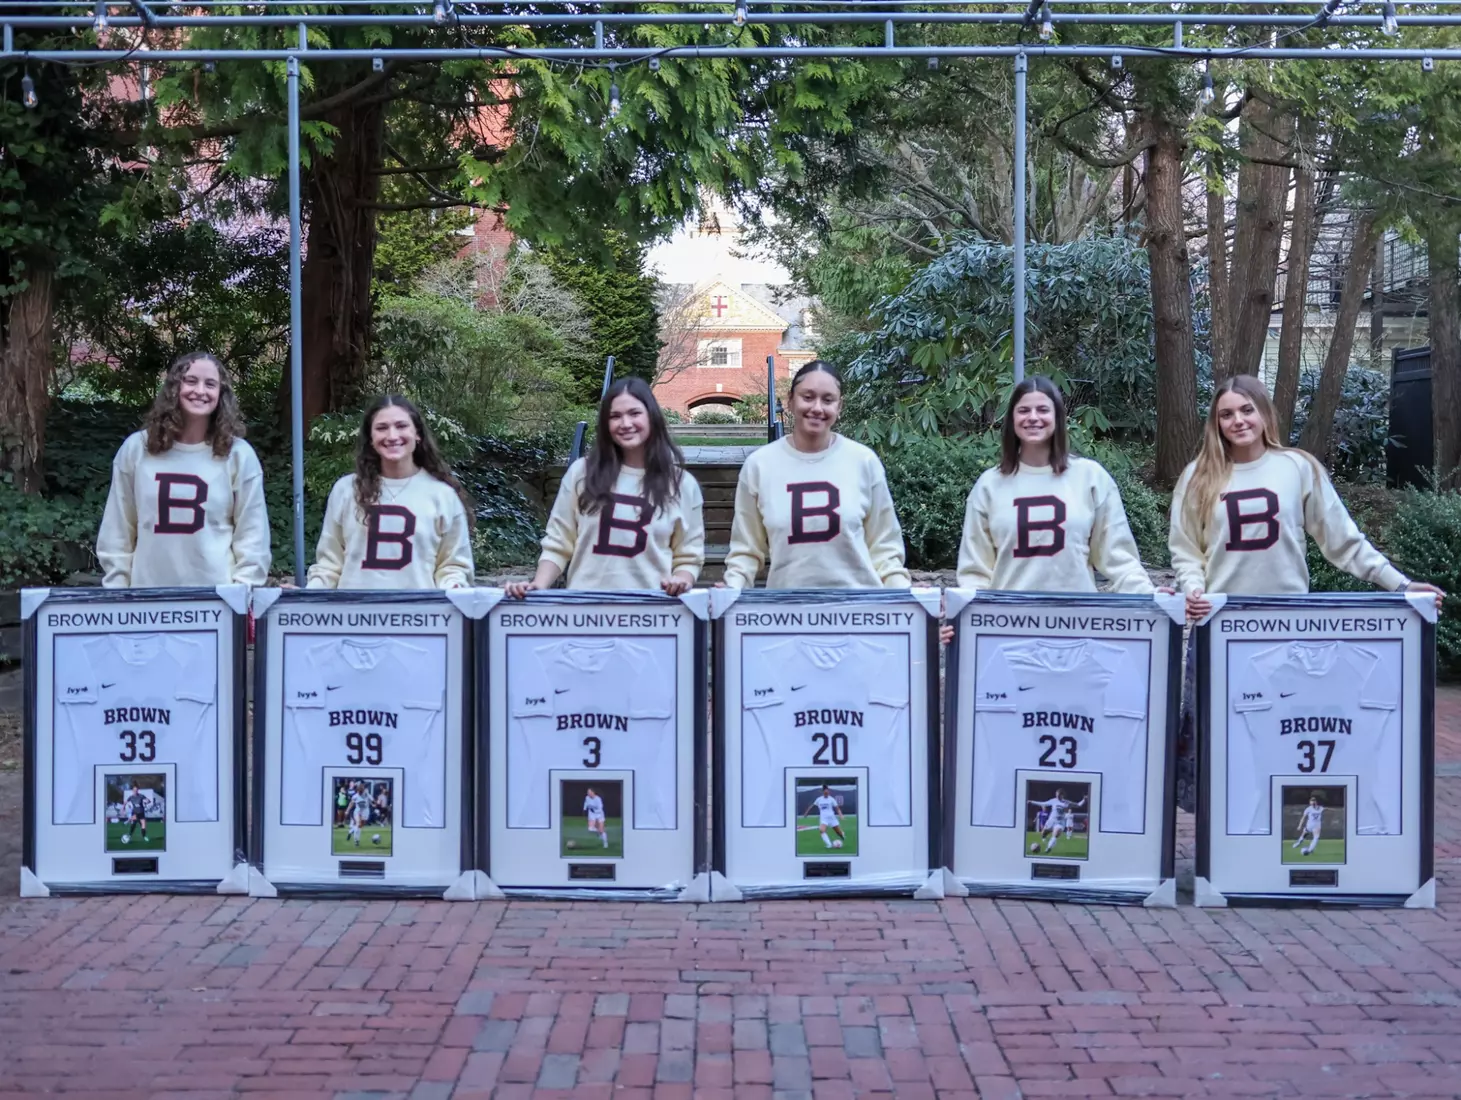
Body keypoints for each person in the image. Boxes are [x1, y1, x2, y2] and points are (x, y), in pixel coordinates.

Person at [1169, 375, 1444, 618]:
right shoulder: (1197, 476)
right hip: (1219, 618)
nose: (1238, 421)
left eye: (1247, 410)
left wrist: (1401, 585)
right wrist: (1194, 590)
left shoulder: (1298, 467)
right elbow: (1186, 549)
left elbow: (1344, 541)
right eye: (1226, 414)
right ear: (1216, 422)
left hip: (1288, 617)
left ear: (1264, 413)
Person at [942, 376, 1157, 642]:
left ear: (1058, 417)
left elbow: (1118, 558)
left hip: (1079, 628)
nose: (1033, 417)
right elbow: (975, 572)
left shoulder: (1091, 478)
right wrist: (964, 620)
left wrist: (1153, 599)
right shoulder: (989, 486)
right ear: (1011, 419)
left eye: (1043, 410)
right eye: (1024, 410)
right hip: (1007, 630)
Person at [507, 378, 704, 597]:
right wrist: (538, 586)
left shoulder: (681, 485)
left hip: (652, 617)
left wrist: (681, 580)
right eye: (615, 416)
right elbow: (559, 541)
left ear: (652, 416)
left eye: (634, 413)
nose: (625, 423)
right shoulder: (582, 473)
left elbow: (688, 557)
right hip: (585, 613)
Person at [722, 360, 910, 589]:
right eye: (808, 397)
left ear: (840, 407)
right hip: (787, 614)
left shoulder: (863, 462)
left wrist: (908, 602)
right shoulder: (759, 466)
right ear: (790, 401)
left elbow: (885, 549)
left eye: (828, 400)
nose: (817, 408)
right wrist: (732, 590)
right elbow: (746, 552)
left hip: (862, 613)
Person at [97, 350, 270, 588]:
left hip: (217, 604)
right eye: (191, 381)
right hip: (146, 601)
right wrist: (118, 590)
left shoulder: (238, 455)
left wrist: (241, 595)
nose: (200, 391)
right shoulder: (137, 449)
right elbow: (118, 529)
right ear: (174, 388)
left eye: (210, 384)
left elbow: (253, 537)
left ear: (221, 394)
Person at [307, 395, 475, 590]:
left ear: (417, 433)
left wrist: (454, 587)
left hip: (421, 617)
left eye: (401, 426)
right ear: (371, 438)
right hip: (353, 616)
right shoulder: (346, 490)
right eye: (382, 428)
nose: (392, 436)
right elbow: (329, 565)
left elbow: (453, 566)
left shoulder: (442, 496)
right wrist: (303, 597)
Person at [806, 785, 847, 849]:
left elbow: (837, 808)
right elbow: (812, 806)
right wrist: (806, 813)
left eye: (827, 792)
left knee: (839, 833)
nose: (826, 793)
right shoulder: (819, 799)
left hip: (832, 818)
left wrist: (841, 815)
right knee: (822, 830)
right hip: (824, 819)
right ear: (823, 792)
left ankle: (842, 834)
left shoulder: (832, 799)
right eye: (825, 792)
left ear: (829, 792)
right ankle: (829, 845)